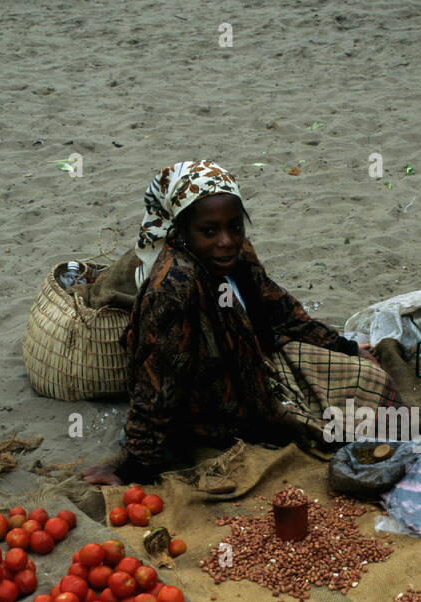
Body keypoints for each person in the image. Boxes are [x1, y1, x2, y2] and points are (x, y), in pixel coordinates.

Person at [82, 161, 400, 486]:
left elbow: (281, 309)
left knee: (372, 380)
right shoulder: (174, 287)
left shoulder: (237, 253)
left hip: (257, 364)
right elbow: (156, 385)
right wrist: (133, 468)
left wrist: (344, 347)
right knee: (341, 431)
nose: (226, 240)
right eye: (209, 231)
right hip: (219, 409)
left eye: (235, 226)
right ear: (181, 231)